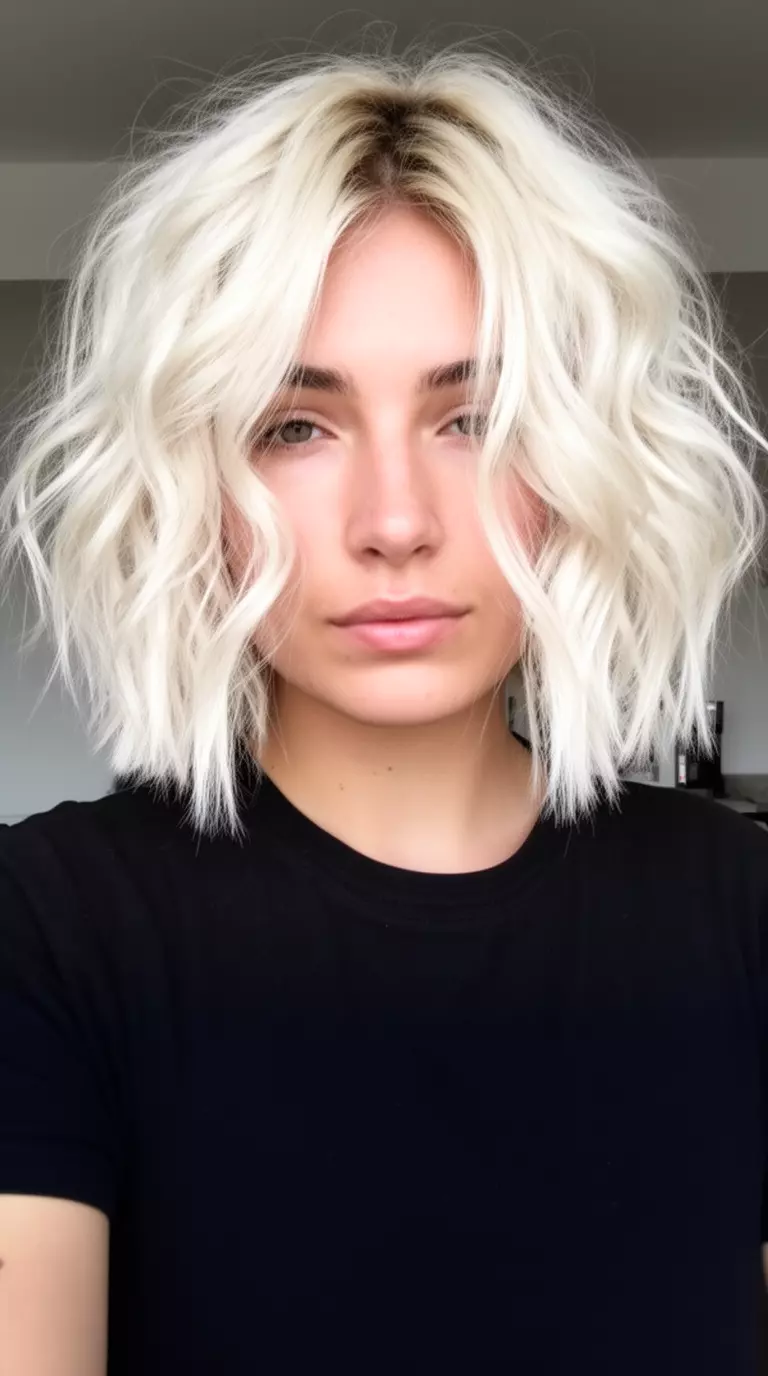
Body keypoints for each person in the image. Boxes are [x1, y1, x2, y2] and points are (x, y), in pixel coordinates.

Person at [1, 36, 767, 1376]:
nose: (396, 522)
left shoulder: (744, 915)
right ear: (195, 476)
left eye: (476, 417)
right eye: (297, 427)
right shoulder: (45, 930)